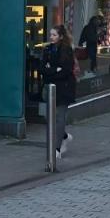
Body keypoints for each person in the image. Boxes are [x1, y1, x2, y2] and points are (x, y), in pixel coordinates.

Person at [41, 25, 76, 160]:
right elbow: (42, 69)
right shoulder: (48, 49)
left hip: (65, 88)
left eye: (54, 35)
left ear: (61, 36)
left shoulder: (67, 50)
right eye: (51, 34)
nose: (51, 37)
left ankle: (57, 148)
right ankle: (65, 136)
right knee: (48, 117)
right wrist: (55, 70)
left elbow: (66, 70)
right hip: (50, 87)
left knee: (60, 117)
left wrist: (52, 70)